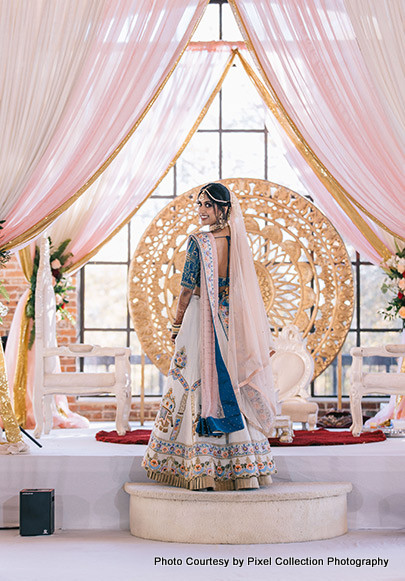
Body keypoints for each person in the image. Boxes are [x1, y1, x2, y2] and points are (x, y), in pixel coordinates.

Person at [142, 182, 278, 490]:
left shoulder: (199, 242)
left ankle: (201, 464)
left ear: (223, 209)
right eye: (199, 204)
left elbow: (187, 288)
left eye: (208, 205)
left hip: (202, 318)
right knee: (231, 381)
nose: (201, 210)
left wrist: (176, 325)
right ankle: (244, 466)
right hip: (231, 321)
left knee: (193, 380)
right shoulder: (238, 242)